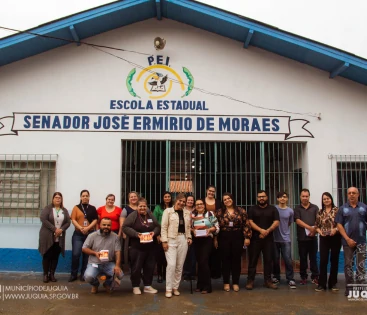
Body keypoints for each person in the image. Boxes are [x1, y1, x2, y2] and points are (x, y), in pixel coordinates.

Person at [123, 198, 161, 294]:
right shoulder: (133, 216)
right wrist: (137, 234)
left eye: (144, 206)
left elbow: (157, 226)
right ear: (137, 207)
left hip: (150, 247)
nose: (142, 208)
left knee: (149, 266)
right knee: (136, 267)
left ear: (147, 206)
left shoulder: (150, 215)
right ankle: (135, 286)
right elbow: (125, 227)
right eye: (140, 206)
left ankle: (147, 286)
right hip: (137, 248)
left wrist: (154, 233)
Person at [335, 187, 367, 297]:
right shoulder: (342, 209)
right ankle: (349, 287)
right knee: (348, 265)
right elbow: (339, 225)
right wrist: (347, 239)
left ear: (358, 194)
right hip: (347, 242)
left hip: (361, 241)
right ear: (347, 195)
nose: (351, 195)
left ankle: (360, 288)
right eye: (349, 193)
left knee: (361, 265)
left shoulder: (364, 208)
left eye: (354, 193)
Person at [217, 192, 251, 292]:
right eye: (225, 200)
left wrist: (247, 237)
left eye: (228, 198)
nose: (227, 201)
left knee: (236, 260)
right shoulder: (219, 212)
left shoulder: (241, 211)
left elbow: (246, 224)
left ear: (232, 199)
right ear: (223, 202)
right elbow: (215, 225)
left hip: (237, 236)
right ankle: (226, 282)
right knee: (225, 260)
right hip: (224, 237)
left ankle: (236, 282)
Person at [246, 190, 279, 290]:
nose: (261, 198)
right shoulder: (252, 209)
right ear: (257, 198)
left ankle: (267, 281)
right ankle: (250, 281)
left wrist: (267, 231)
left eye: (263, 196)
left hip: (268, 239)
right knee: (253, 260)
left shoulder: (273, 209)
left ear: (267, 197)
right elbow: (250, 222)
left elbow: (276, 222)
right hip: (255, 239)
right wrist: (261, 230)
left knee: (268, 260)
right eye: (259, 196)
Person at [161, 193, 192, 298]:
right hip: (171, 240)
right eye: (180, 201)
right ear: (176, 200)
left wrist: (189, 237)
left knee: (179, 266)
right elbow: (164, 227)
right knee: (171, 265)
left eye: (184, 201)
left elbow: (188, 228)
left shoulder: (187, 213)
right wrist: (164, 241)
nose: (182, 203)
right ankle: (168, 288)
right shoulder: (168, 211)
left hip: (183, 239)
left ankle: (175, 287)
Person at [82, 217, 122, 294]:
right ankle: (95, 284)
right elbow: (84, 248)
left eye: (108, 225)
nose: (106, 227)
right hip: (94, 263)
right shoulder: (92, 236)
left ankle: (107, 284)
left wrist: (117, 266)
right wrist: (95, 253)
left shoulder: (115, 237)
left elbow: (118, 252)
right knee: (88, 277)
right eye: (104, 225)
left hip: (109, 263)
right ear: (100, 225)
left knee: (120, 274)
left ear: (111, 226)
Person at [38, 192, 71, 283]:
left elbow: (68, 222)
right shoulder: (47, 208)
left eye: (59, 198)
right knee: (47, 255)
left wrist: (61, 229)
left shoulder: (64, 210)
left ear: (61, 199)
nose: (57, 199)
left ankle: (52, 274)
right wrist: (54, 229)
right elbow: (43, 219)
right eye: (56, 197)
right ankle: (45, 274)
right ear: (53, 199)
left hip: (59, 237)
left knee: (55, 255)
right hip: (47, 236)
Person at [69, 190, 98, 282]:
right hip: (78, 234)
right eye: (83, 196)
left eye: (87, 196)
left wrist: (87, 228)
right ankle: (73, 274)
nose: (85, 197)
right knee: (76, 254)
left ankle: (83, 274)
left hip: (89, 234)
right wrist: (81, 228)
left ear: (89, 197)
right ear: (80, 197)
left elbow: (95, 220)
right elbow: (73, 219)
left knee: (86, 255)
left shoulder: (92, 208)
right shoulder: (76, 208)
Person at [315, 192, 341, 292]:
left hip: (335, 238)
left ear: (331, 199)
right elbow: (316, 226)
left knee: (334, 260)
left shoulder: (337, 210)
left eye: (328, 198)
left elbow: (341, 224)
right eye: (324, 199)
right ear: (322, 201)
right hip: (324, 238)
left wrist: (336, 230)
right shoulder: (320, 212)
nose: (326, 200)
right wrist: (320, 232)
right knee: (323, 260)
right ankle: (322, 284)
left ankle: (333, 283)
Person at [191, 198, 219, 293]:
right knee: (200, 262)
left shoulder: (209, 214)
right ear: (195, 206)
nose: (199, 205)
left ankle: (207, 287)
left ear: (204, 205)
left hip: (207, 240)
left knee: (204, 261)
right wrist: (193, 231)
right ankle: (200, 285)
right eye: (197, 204)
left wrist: (210, 230)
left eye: (201, 204)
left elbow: (217, 227)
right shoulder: (193, 215)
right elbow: (190, 228)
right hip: (197, 240)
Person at [294, 188, 319, 285]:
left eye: (306, 196)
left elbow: (318, 220)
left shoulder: (315, 207)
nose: (305, 198)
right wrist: (310, 227)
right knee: (303, 259)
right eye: (303, 196)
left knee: (313, 258)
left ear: (309, 197)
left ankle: (315, 276)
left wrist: (314, 230)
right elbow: (298, 221)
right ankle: (303, 277)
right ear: (300, 197)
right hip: (302, 238)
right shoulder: (297, 208)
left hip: (312, 237)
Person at [272, 192, 296, 289]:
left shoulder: (290, 211)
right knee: (275, 259)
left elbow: (289, 223)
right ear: (277, 199)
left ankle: (290, 278)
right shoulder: (274, 209)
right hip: (274, 238)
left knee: (288, 260)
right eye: (280, 197)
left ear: (287, 199)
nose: (282, 198)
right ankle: (276, 277)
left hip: (286, 238)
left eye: (285, 197)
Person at [153, 191, 172, 283]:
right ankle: (160, 274)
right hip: (160, 233)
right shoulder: (158, 208)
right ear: (163, 198)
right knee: (160, 255)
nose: (167, 198)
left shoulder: (173, 207)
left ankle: (166, 274)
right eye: (165, 196)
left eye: (169, 196)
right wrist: (157, 234)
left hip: (170, 233)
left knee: (168, 255)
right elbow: (154, 221)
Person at [205, 185, 222, 280]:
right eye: (210, 191)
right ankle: (206, 272)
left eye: (213, 191)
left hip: (216, 226)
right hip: (204, 227)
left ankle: (216, 272)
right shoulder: (202, 201)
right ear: (206, 191)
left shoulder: (218, 202)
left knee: (216, 250)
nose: (211, 193)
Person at [118, 191, 139, 266]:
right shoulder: (125, 209)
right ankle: (128, 267)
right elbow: (122, 222)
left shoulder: (142, 207)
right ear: (129, 199)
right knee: (129, 251)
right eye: (131, 197)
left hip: (140, 234)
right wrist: (123, 233)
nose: (133, 198)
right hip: (129, 234)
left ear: (138, 197)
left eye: (135, 196)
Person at [183, 195, 197, 281]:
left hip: (195, 234)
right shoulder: (182, 210)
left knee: (193, 255)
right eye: (189, 200)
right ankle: (186, 273)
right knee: (185, 254)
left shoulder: (196, 210)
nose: (190, 202)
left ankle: (192, 273)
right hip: (185, 234)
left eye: (192, 200)